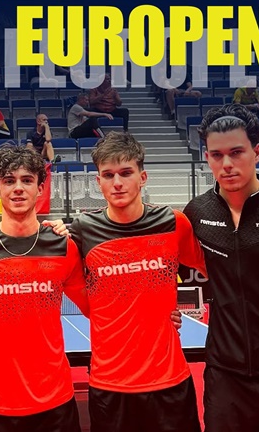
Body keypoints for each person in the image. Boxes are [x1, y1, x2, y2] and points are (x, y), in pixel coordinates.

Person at [67, 131, 207, 432]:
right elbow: (53, 278)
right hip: (110, 385)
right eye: (108, 175)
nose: (117, 182)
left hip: (170, 381)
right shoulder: (81, 230)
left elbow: (216, 269)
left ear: (142, 177)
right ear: (98, 182)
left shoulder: (173, 223)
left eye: (126, 173)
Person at [0, 144, 89, 432]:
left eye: (27, 180)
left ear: (40, 188)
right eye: (9, 181)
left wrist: (160, 315)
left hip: (55, 401)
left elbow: (95, 307)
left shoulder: (64, 246)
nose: (18, 188)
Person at [183, 103, 259, 432]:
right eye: (217, 155)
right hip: (226, 375)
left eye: (236, 152)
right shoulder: (197, 213)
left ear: (257, 152)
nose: (226, 164)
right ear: (207, 157)